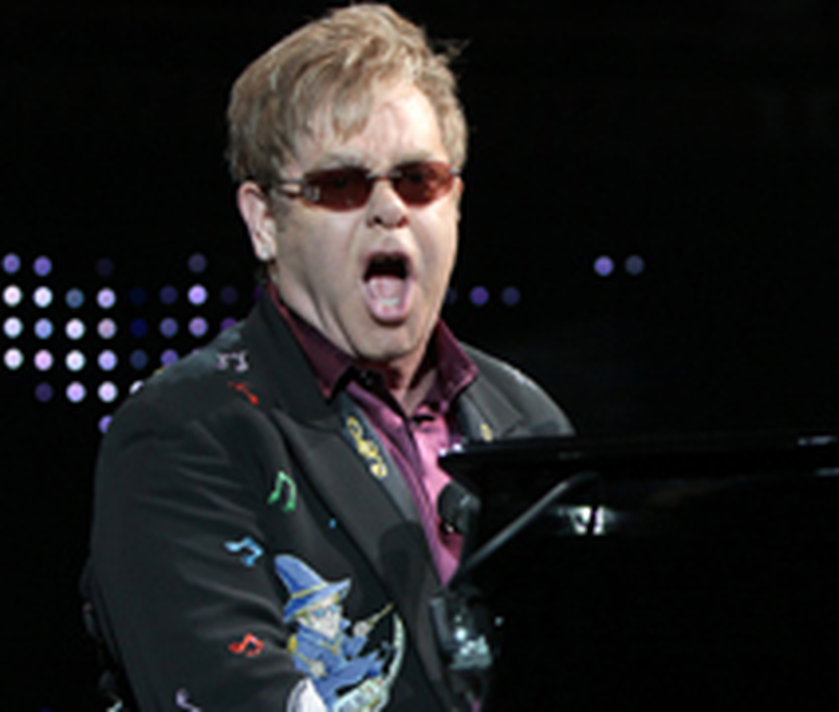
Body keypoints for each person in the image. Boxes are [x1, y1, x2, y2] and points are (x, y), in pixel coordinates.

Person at [84, 4, 573, 711]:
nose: (388, 210)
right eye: (342, 185)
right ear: (264, 222)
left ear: (455, 203)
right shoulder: (184, 433)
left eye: (417, 180)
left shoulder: (527, 419)